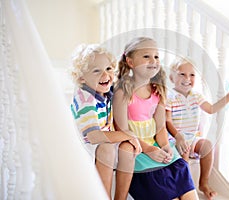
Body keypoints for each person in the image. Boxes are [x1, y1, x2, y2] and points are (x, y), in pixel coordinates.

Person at [113, 37, 198, 200]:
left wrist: (165, 146)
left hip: (156, 146)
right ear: (130, 62)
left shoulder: (158, 90)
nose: (153, 60)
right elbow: (122, 129)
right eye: (146, 56)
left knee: (184, 182)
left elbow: (160, 128)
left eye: (156, 56)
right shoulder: (122, 92)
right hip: (138, 149)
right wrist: (149, 150)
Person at [70, 44, 141, 200]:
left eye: (109, 69)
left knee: (128, 148)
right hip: (85, 144)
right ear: (82, 77)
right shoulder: (85, 99)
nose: (105, 75)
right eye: (96, 71)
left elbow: (126, 81)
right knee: (107, 149)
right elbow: (94, 136)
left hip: (101, 139)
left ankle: (120, 198)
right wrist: (126, 134)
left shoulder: (106, 90)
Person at [166, 57, 229, 200]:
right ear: (172, 77)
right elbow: (166, 121)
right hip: (174, 139)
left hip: (191, 138)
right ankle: (183, 189)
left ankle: (203, 183)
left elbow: (210, 109)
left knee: (207, 145)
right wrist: (178, 137)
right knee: (184, 154)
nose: (187, 78)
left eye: (192, 75)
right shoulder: (170, 96)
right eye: (182, 74)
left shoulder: (196, 95)